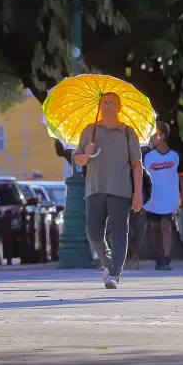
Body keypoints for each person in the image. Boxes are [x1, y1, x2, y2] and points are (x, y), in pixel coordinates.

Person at [74, 92, 144, 289]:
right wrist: (86, 154)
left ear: (119, 107)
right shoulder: (90, 131)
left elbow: (137, 165)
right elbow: (78, 159)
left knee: (120, 233)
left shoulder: (128, 132)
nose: (107, 106)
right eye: (104, 103)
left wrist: (137, 193)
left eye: (112, 103)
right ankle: (107, 261)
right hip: (94, 188)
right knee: (93, 232)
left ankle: (114, 274)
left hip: (120, 190)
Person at [142, 122, 183, 270]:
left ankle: (167, 258)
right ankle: (158, 256)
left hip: (169, 197)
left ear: (161, 136)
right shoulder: (147, 156)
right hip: (152, 198)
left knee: (166, 225)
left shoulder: (175, 156)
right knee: (154, 228)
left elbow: (182, 175)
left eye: (153, 134)